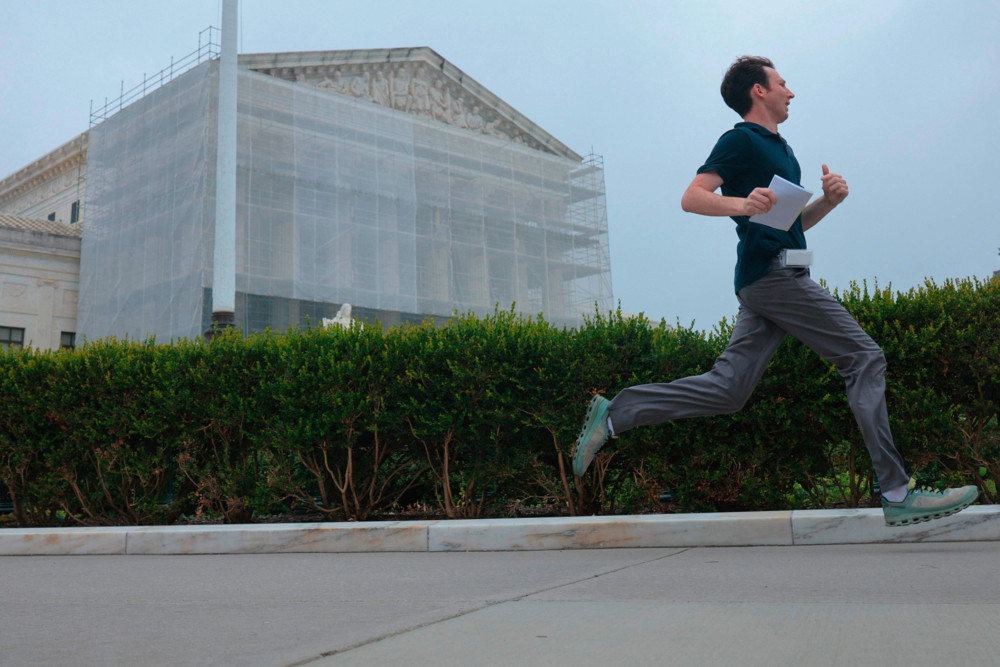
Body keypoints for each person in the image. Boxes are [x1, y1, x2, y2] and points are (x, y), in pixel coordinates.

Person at [573, 56, 977, 527]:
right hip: (774, 277)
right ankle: (895, 489)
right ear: (758, 92)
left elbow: (790, 224)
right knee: (864, 358)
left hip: (770, 277)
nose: (791, 91)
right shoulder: (739, 139)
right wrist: (742, 203)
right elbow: (692, 197)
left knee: (729, 390)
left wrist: (828, 200)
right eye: (783, 83)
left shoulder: (784, 151)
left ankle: (616, 414)